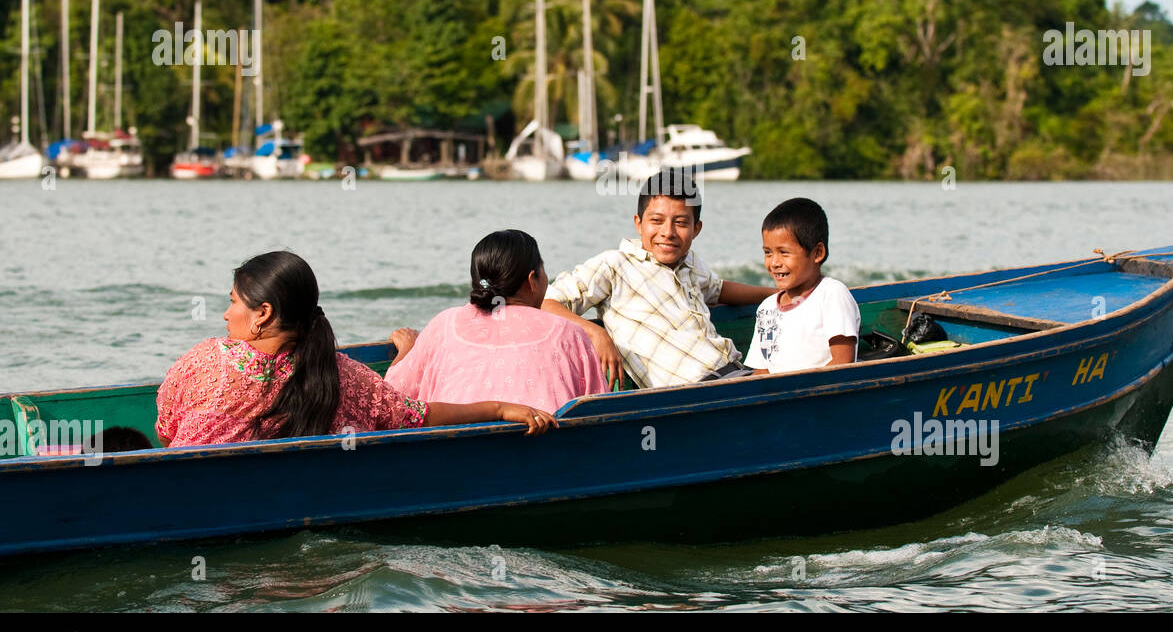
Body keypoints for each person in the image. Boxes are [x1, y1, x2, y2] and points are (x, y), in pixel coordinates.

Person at [156, 251, 555, 448]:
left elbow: (166, 429)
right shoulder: (339, 374)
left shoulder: (207, 359)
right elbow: (415, 416)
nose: (226, 315)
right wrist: (499, 408)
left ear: (262, 313)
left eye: (232, 303)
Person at [542, 171, 773, 389]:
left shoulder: (690, 264)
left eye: (681, 223)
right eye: (657, 221)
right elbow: (547, 303)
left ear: (696, 229)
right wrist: (595, 333)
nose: (668, 232)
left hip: (735, 372)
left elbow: (719, 290)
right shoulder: (615, 266)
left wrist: (778, 294)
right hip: (690, 390)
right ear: (638, 223)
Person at [385, 230, 608, 413]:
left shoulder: (444, 324)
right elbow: (598, 412)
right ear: (532, 280)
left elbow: (392, 396)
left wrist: (407, 348)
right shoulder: (568, 332)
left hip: (454, 456)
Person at [745, 198, 860, 374]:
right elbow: (761, 371)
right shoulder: (766, 308)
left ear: (817, 253)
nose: (774, 262)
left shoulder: (831, 294)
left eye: (784, 252)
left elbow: (843, 362)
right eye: (768, 253)